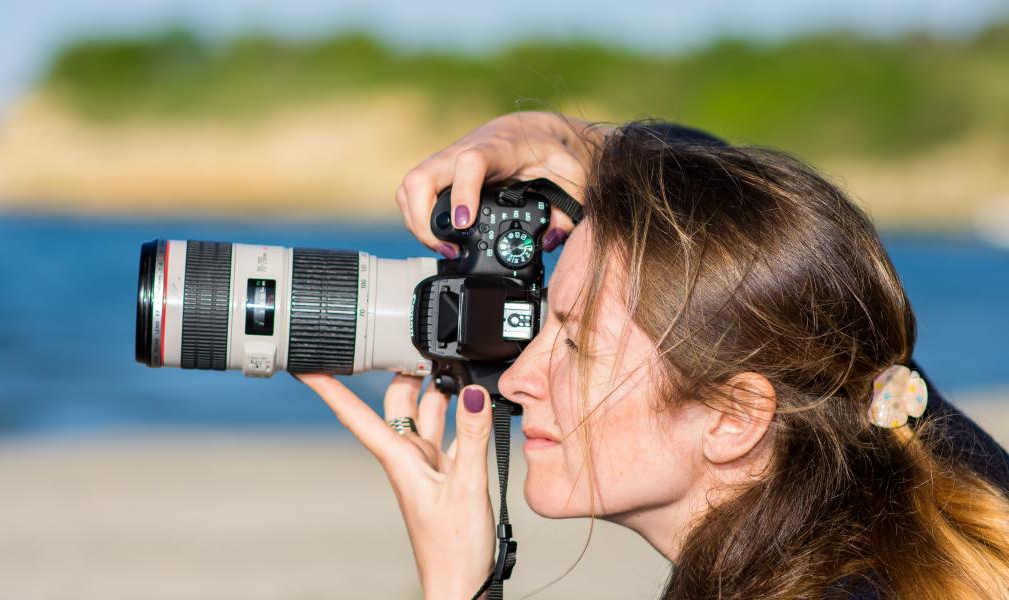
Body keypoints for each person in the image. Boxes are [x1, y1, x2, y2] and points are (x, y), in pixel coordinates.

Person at [298, 112, 1009, 598]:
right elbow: (795, 261)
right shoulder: (895, 428)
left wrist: (457, 586)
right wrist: (572, 144)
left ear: (733, 416)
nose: (516, 378)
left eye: (575, 343)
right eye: (543, 326)